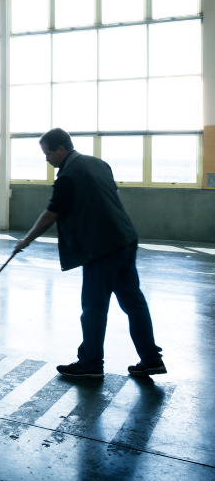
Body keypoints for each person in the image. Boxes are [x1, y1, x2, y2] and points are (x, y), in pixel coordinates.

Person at [12, 128, 165, 379]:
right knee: (134, 303)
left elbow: (51, 215)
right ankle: (152, 359)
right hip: (125, 238)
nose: (47, 159)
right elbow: (113, 197)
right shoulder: (99, 164)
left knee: (94, 308)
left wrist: (26, 240)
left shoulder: (69, 176)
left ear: (62, 149)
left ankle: (91, 364)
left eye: (48, 153)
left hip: (101, 247)